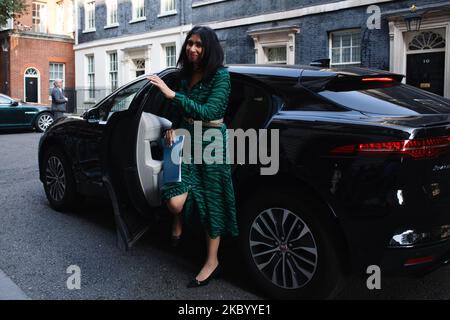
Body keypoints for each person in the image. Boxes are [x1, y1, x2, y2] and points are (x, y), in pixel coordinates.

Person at [147, 25, 238, 288]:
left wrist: (172, 94)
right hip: (184, 139)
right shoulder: (186, 75)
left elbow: (210, 111)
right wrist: (173, 127)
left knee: (213, 203)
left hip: (211, 142)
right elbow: (182, 112)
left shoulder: (221, 76)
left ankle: (212, 262)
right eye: (190, 43)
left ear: (209, 48)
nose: (193, 48)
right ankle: (177, 218)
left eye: (199, 44)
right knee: (174, 201)